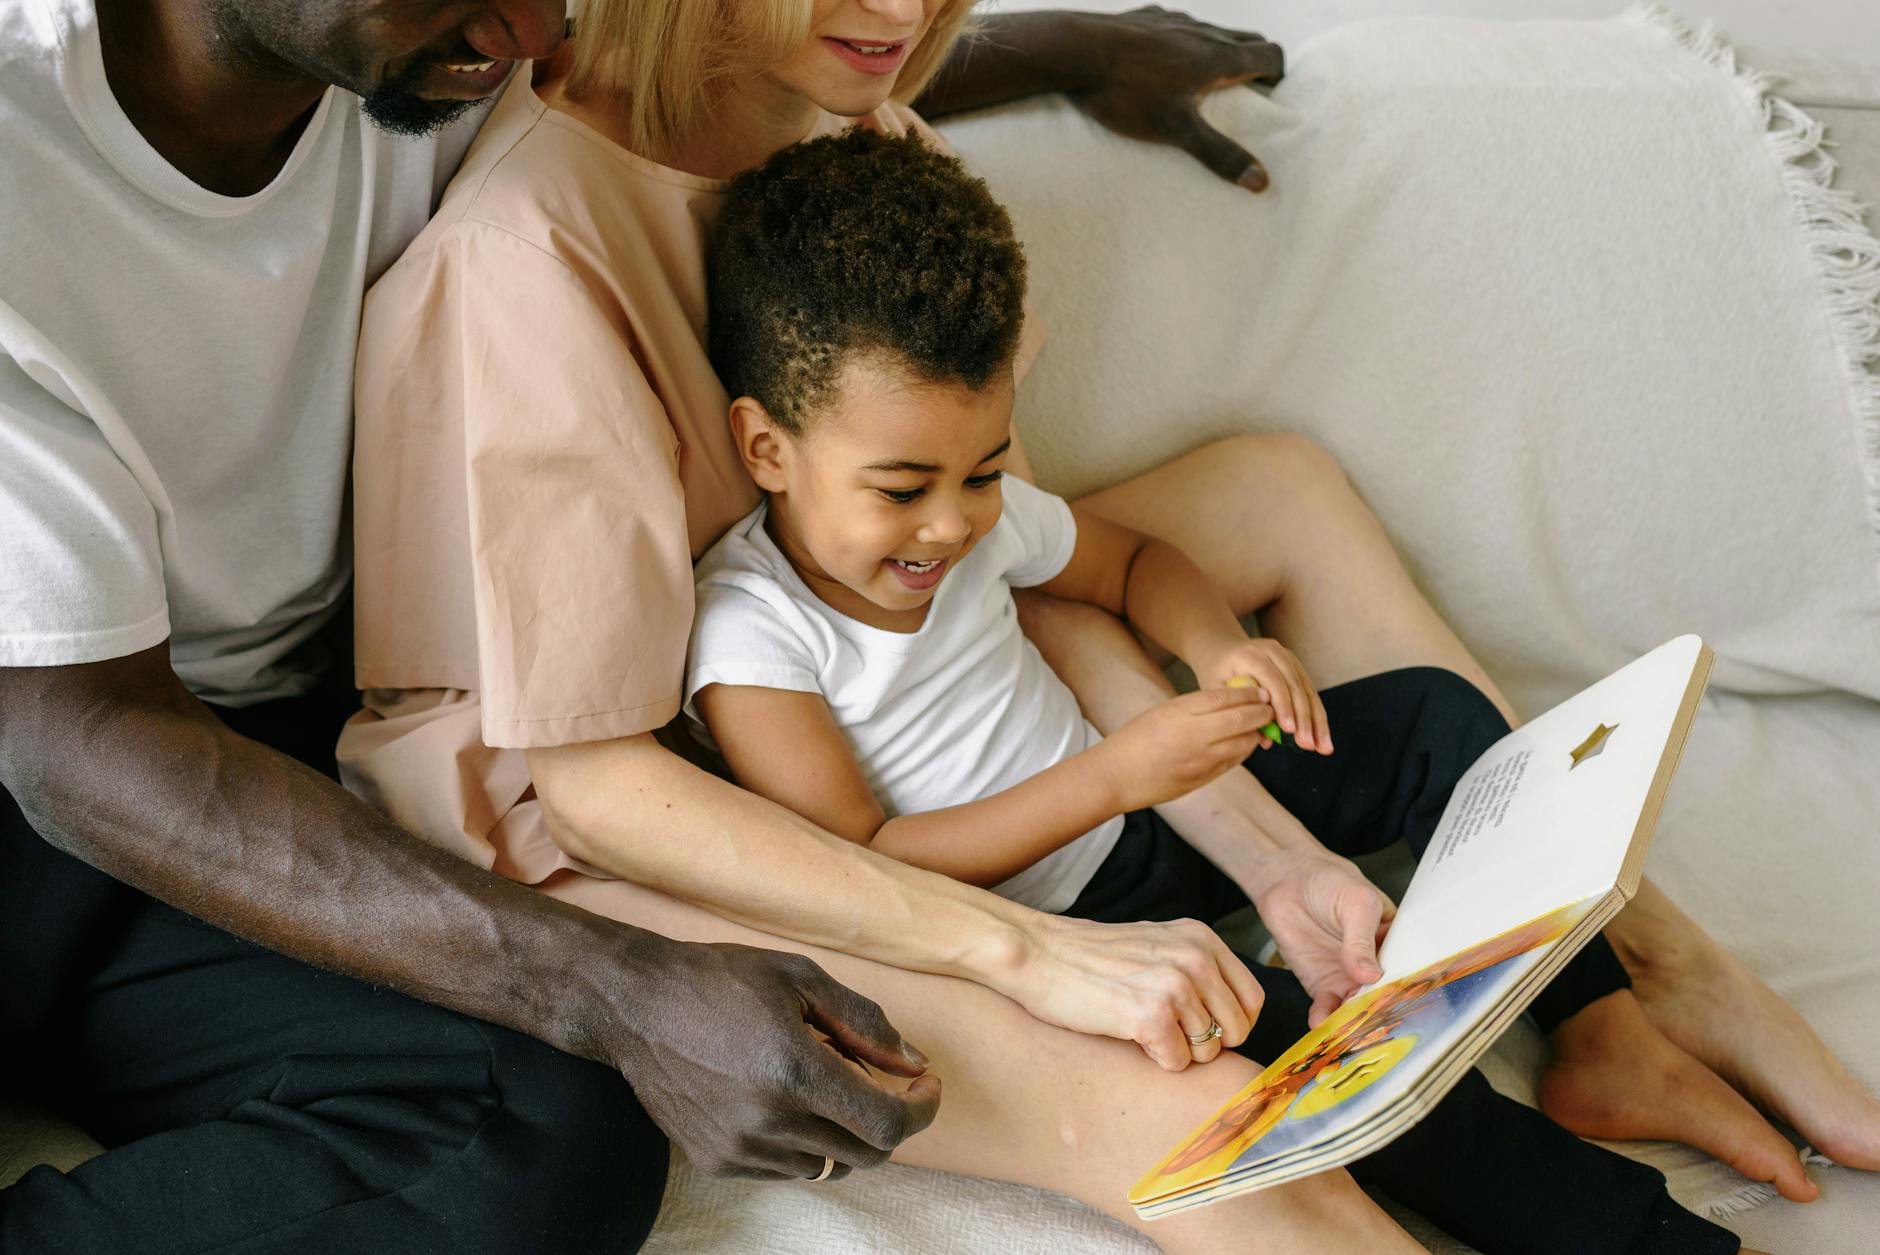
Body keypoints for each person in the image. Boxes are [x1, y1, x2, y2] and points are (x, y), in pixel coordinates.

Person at [343, 0, 1878, 1245]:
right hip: (614, 792)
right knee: (1188, 1095)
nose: (908, 15)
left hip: (891, 639)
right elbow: (604, 784)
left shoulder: (846, 102)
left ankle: (1641, 968)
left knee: (1272, 487)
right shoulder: (521, 269)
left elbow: (1022, 563)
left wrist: (1269, 848)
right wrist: (1032, 952)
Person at [0, 0, 1305, 1248]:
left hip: (275, 724)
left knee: (544, 1128)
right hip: (71, 755)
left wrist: (1066, 45)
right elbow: (83, 741)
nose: (530, 30)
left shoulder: (426, 54)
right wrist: (616, 980)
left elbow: (705, 66)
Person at [676, 126, 1745, 1253]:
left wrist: (1219, 645)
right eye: (900, 489)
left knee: (1437, 720)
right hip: (1072, 924)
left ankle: (1600, 1029)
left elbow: (1134, 563)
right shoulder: (753, 632)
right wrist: (1109, 775)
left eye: (982, 472)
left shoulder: (977, 527)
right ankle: (1654, 1239)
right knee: (1317, 1065)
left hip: (1149, 807)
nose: (948, 522)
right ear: (765, 446)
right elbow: (865, 864)